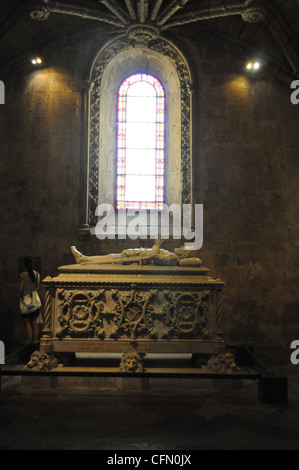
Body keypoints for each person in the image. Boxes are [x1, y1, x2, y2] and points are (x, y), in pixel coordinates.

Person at [19, 257, 41, 342]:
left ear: (25, 265)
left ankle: (29, 343)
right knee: (34, 323)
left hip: (26, 303)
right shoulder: (37, 274)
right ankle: (35, 344)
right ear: (32, 264)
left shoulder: (23, 275)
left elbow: (20, 289)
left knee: (28, 324)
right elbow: (37, 288)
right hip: (35, 303)